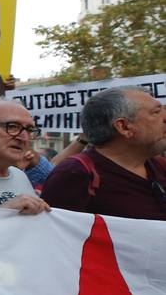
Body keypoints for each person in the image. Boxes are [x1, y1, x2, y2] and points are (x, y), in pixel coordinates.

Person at [41, 87, 166, 219]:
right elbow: (55, 233)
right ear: (124, 127)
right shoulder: (74, 174)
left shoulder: (160, 166)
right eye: (156, 112)